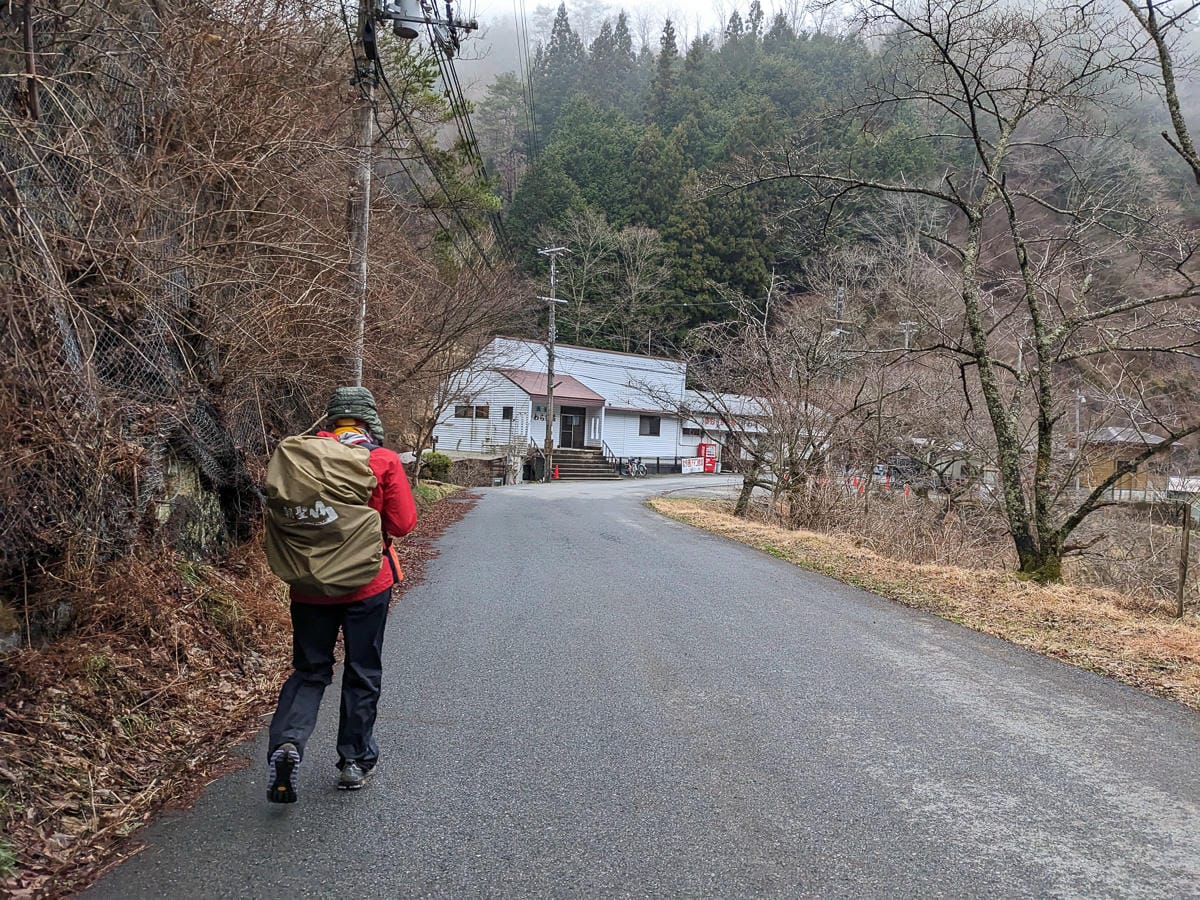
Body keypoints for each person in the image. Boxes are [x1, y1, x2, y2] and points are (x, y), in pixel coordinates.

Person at [267, 387, 417, 802]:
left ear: (331, 420)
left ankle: (288, 742)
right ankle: (354, 761)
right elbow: (403, 524)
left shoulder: (300, 457)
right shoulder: (381, 459)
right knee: (362, 670)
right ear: (368, 421)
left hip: (309, 584)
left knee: (310, 670)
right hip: (367, 585)